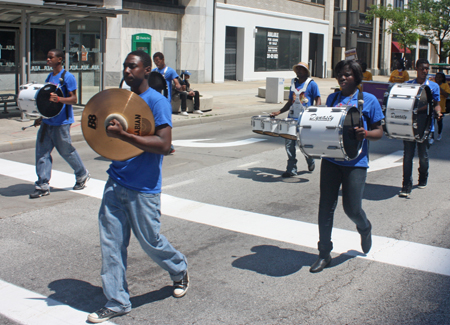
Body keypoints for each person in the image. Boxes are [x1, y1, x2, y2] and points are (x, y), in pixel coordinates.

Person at [87, 50, 189, 324]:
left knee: (150, 241)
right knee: (111, 243)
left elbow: (165, 144)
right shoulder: (119, 101)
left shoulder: (157, 103)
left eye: (132, 67)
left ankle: (179, 268)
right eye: (125, 66)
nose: (127, 71)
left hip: (143, 188)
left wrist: (125, 135)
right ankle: (117, 301)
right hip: (115, 182)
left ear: (146, 70)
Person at [310, 60, 384, 273]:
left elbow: (379, 131)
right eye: (340, 74)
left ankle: (364, 227)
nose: (342, 78)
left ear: (357, 77)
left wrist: (367, 134)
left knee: (351, 208)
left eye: (348, 74)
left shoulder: (368, 100)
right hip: (331, 160)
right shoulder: (333, 98)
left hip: (356, 163)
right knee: (325, 207)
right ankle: (324, 253)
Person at [29, 49, 90, 199]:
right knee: (42, 153)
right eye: (47, 57)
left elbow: (74, 99)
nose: (48, 60)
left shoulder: (68, 77)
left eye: (51, 58)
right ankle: (42, 185)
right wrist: (41, 117)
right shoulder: (50, 76)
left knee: (66, 152)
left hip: (61, 123)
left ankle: (82, 174)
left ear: (60, 59)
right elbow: (47, 101)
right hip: (48, 121)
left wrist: (59, 100)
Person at [399, 58, 442, 198]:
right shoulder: (408, 85)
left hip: (425, 127)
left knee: (423, 156)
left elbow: (437, 103)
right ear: (416, 68)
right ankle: (406, 184)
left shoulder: (433, 86)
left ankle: (423, 176)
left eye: (427, 68)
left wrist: (438, 112)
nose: (425, 71)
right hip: (409, 128)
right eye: (422, 68)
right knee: (408, 156)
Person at [270, 62, 321, 176]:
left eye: (301, 69)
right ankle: (291, 169)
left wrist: (315, 113)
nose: (298, 71)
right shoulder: (293, 83)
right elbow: (289, 102)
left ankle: (310, 159)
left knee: (303, 144)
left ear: (306, 72)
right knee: (289, 144)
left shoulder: (312, 84)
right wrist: (279, 112)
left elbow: (318, 99)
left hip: (305, 120)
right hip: (291, 119)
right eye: (297, 69)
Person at [152, 52, 180, 154]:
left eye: (158, 61)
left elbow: (176, 82)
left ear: (163, 60)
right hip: (155, 102)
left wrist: (178, 86)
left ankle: (168, 145)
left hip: (165, 102)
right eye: (155, 62)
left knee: (165, 124)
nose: (156, 63)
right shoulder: (154, 72)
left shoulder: (170, 71)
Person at [434, 72, 449, 141]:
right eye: (437, 77)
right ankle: (431, 136)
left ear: (443, 78)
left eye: (439, 77)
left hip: (441, 107)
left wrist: (439, 88)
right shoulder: (433, 84)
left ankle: (439, 133)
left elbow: (446, 95)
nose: (438, 79)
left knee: (439, 121)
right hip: (433, 106)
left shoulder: (445, 85)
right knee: (431, 122)